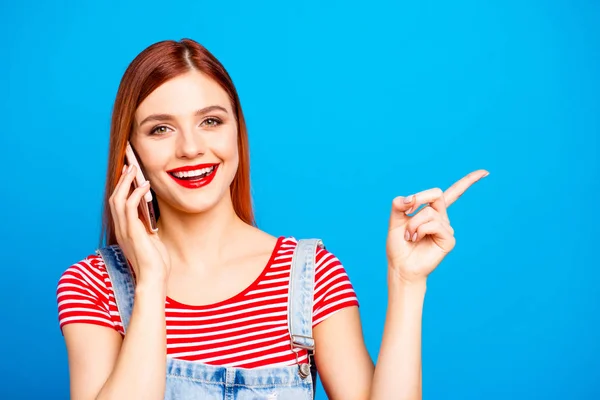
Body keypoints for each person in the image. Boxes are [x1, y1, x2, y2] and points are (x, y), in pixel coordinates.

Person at [56, 38, 488, 400]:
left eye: (210, 121)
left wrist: (407, 283)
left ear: (236, 133)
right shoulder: (91, 286)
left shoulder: (310, 274)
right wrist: (150, 282)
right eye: (160, 129)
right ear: (129, 153)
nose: (190, 148)